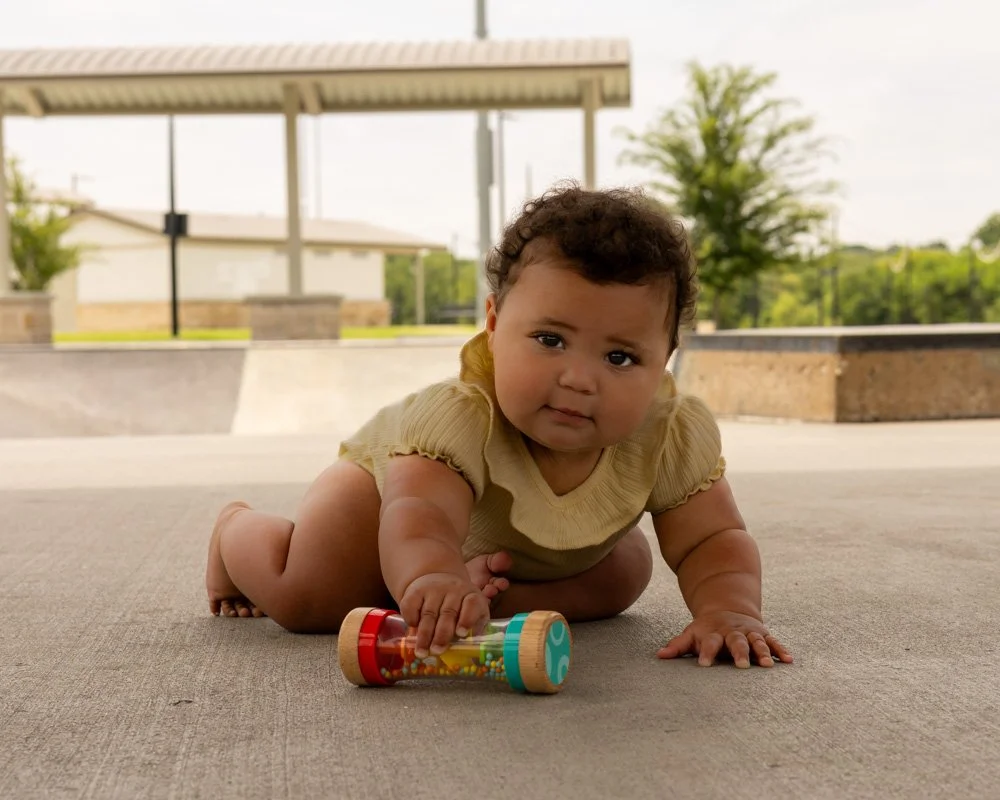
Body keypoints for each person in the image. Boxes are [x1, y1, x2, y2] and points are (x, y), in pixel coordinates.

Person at [205, 183, 792, 670]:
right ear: (493, 322)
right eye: (550, 340)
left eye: (619, 358)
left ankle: (469, 594)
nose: (579, 379)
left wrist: (729, 609)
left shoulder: (670, 432)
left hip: (520, 547)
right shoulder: (460, 415)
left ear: (663, 359)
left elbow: (712, 539)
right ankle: (236, 533)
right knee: (314, 597)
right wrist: (433, 572)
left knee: (625, 574)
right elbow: (423, 515)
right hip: (382, 496)